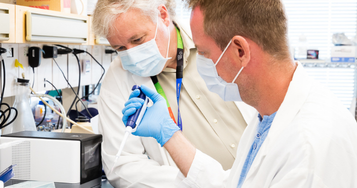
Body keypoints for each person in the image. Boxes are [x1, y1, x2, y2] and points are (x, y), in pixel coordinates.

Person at [122, 0, 357, 187]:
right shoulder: (269, 117)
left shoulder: (308, 146)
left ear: (240, 51)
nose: (202, 63)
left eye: (204, 53)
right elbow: (233, 183)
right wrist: (169, 134)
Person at [91, 0, 255, 187]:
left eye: (137, 40)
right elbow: (122, 165)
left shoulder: (218, 40)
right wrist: (195, 182)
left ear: (163, 15)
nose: (132, 54)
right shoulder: (118, 77)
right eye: (120, 48)